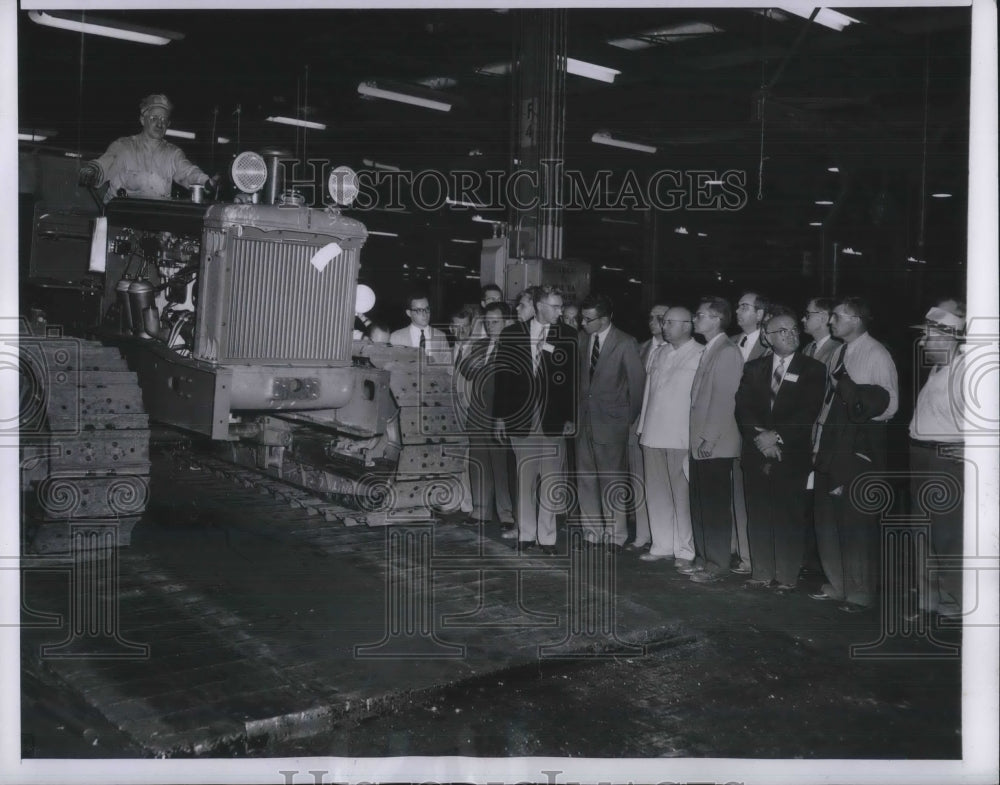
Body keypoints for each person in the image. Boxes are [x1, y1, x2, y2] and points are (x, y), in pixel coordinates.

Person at [811, 296, 898, 612]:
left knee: (855, 524)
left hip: (857, 450)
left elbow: (889, 406)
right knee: (828, 520)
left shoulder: (877, 354)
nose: (831, 321)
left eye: (837, 316)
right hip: (831, 445)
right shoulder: (840, 351)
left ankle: (860, 593)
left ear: (857, 319)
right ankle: (838, 583)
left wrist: (854, 400)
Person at [735, 306, 826, 590]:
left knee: (789, 515)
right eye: (782, 331)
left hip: (791, 455)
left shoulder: (813, 368)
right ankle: (761, 572)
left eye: (793, 330)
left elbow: (808, 411)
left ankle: (786, 577)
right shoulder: (753, 368)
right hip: (756, 452)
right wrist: (759, 438)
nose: (790, 335)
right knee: (759, 512)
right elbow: (743, 408)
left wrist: (776, 437)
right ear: (767, 336)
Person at [493, 286, 577, 555]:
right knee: (524, 478)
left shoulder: (568, 336)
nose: (560, 311)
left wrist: (570, 417)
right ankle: (526, 534)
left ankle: (548, 538)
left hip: (553, 419)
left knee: (551, 480)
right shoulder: (511, 335)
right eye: (555, 307)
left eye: (560, 307)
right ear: (540, 306)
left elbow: (573, 383)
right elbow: (502, 380)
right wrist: (499, 418)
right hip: (521, 418)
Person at [908, 298, 967, 618]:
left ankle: (957, 601)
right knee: (922, 532)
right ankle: (928, 601)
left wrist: (973, 447)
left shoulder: (966, 369)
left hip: (944, 461)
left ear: (947, 336)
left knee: (946, 534)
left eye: (929, 335)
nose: (924, 341)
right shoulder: (937, 368)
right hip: (922, 456)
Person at [575, 294, 646, 552]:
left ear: (604, 319)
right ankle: (591, 533)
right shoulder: (582, 340)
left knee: (611, 480)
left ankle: (616, 535)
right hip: (584, 423)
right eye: (582, 318)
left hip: (612, 424)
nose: (583, 323)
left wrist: (625, 420)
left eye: (588, 319)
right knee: (585, 479)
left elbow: (637, 386)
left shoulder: (626, 343)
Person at [636, 306, 703, 570]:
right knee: (657, 493)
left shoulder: (700, 354)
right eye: (664, 323)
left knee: (681, 496)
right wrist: (642, 426)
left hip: (680, 436)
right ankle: (661, 544)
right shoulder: (659, 353)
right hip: (653, 433)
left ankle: (685, 550)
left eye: (670, 323)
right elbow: (648, 393)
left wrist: (694, 436)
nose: (664, 327)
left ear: (687, 325)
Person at [687, 297, 744, 582]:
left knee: (715, 507)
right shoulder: (712, 349)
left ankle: (717, 563)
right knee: (699, 503)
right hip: (700, 442)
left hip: (715, 444)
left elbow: (724, 400)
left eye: (700, 315)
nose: (695, 320)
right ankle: (703, 557)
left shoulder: (727, 352)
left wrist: (708, 439)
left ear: (716, 319)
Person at [78, 93, 216, 202]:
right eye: (154, 118)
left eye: (163, 120)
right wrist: (92, 171)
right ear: (142, 120)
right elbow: (103, 165)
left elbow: (188, 172)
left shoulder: (173, 153)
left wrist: (205, 181)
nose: (159, 124)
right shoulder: (123, 147)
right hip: (120, 219)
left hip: (155, 220)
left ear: (168, 124)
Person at [458, 302, 516, 530]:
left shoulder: (513, 347)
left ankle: (507, 515)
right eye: (488, 322)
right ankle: (480, 511)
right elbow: (466, 370)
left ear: (507, 322)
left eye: (495, 322)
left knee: (501, 467)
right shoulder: (480, 345)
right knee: (478, 463)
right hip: (477, 414)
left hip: (499, 415)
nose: (491, 326)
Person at [729, 291, 770, 575]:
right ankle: (735, 547)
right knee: (733, 491)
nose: (738, 311)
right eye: (738, 305)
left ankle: (751, 556)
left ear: (760, 314)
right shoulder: (731, 343)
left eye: (745, 307)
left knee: (751, 495)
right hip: (728, 428)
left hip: (754, 430)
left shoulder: (769, 347)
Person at [627, 303, 670, 551]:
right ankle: (642, 534)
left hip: (666, 428)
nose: (654, 321)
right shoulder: (640, 349)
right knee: (639, 480)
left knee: (664, 484)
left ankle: (664, 535)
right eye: (651, 317)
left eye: (660, 317)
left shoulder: (681, 349)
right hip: (638, 424)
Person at [388, 293, 451, 364]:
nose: (425, 314)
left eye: (427, 309)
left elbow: (447, 365)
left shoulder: (440, 336)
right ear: (409, 313)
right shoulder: (395, 338)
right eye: (419, 310)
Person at [801, 297, 841, 365]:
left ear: (823, 318)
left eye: (808, 315)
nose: (803, 319)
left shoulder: (837, 351)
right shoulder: (806, 349)